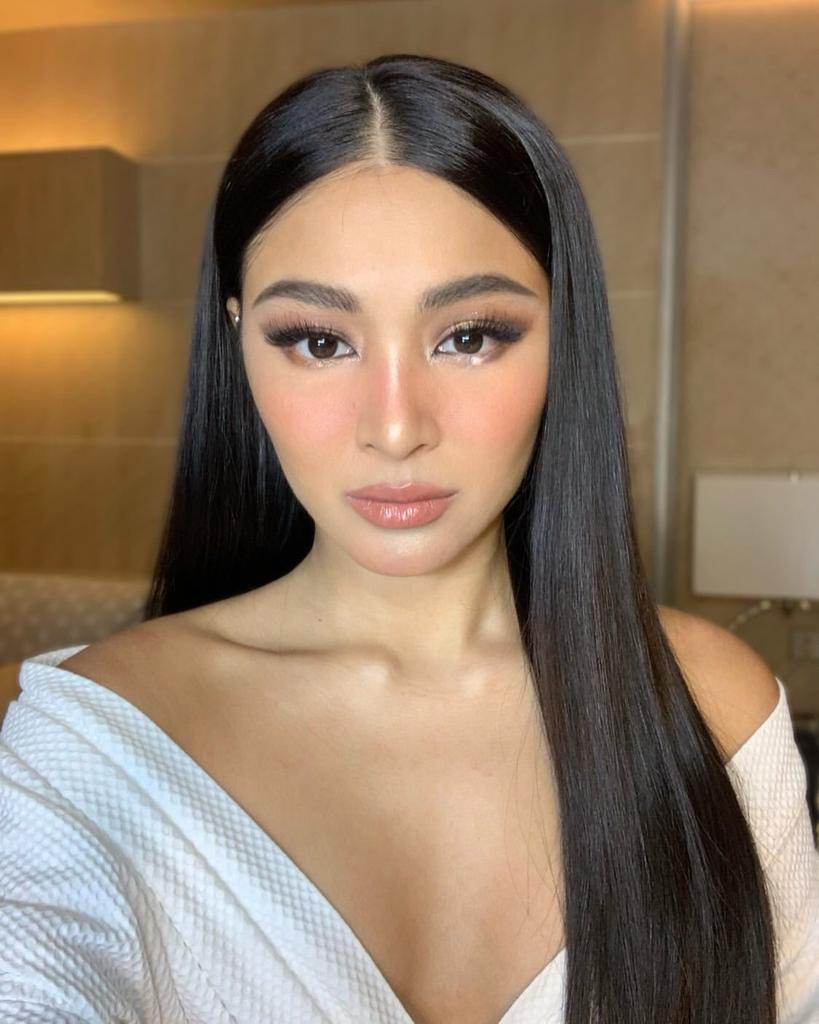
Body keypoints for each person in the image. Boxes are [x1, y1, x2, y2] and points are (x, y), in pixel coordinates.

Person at [1, 52, 816, 1024]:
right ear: (239, 339)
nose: (394, 428)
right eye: (318, 340)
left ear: (563, 335)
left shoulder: (714, 710)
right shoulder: (92, 743)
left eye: (468, 336)